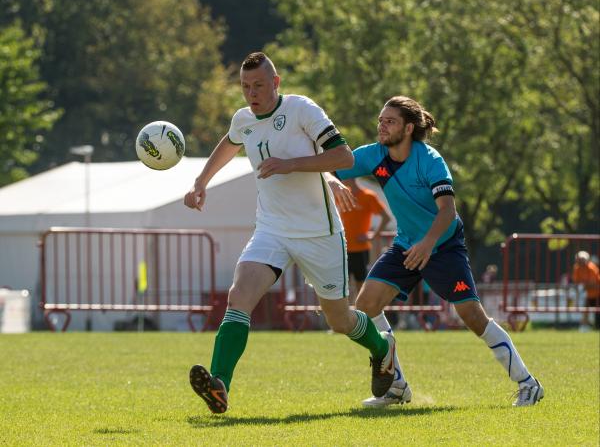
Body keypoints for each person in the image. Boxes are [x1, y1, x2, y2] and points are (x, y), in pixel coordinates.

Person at [183, 52, 395, 414]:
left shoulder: (302, 110)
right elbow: (231, 141)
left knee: (340, 319)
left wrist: (290, 165)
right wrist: (201, 181)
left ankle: (381, 349)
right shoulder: (243, 119)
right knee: (239, 297)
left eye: (260, 85)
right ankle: (220, 385)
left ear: (276, 83)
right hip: (271, 229)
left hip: (319, 233)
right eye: (246, 86)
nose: (252, 93)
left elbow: (343, 157)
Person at [333, 95, 543, 408]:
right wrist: (329, 179)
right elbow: (333, 165)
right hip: (407, 244)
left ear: (407, 129)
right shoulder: (372, 156)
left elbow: (447, 210)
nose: (381, 126)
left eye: (389, 121)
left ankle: (528, 384)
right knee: (365, 307)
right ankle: (397, 386)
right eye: (380, 120)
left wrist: (428, 243)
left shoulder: (430, 160)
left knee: (472, 316)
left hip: (443, 246)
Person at [339, 178, 391, 299]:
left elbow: (386, 218)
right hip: (342, 249)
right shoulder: (341, 195)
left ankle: (361, 315)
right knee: (341, 287)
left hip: (360, 250)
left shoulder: (368, 196)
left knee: (360, 286)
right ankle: (345, 316)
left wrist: (372, 235)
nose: (340, 178)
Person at [571, 251, 600, 330]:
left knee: (597, 312)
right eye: (579, 259)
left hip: (598, 294)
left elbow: (593, 283)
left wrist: (583, 286)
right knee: (585, 310)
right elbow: (576, 282)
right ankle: (584, 326)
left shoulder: (592, 268)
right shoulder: (577, 268)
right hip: (590, 294)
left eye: (582, 259)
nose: (580, 261)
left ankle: (594, 326)